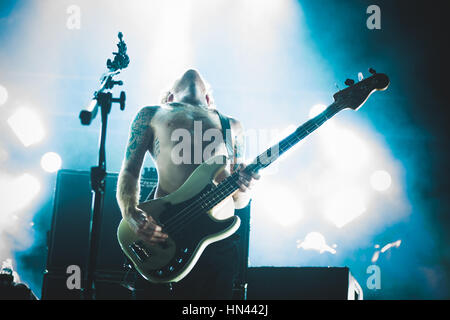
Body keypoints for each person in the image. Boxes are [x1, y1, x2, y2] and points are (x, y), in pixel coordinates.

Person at [116, 69, 259, 299]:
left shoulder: (232, 126)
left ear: (210, 100)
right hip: (165, 234)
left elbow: (240, 202)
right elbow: (130, 171)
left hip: (215, 243)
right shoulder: (151, 114)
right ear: (169, 97)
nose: (192, 71)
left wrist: (246, 187)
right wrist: (131, 213)